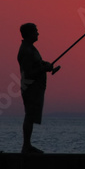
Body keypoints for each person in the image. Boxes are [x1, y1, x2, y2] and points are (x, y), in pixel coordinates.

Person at [17, 22, 59, 154]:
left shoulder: (31, 48)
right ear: (29, 33)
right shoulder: (26, 50)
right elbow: (29, 73)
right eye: (35, 31)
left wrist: (44, 64)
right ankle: (26, 146)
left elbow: (36, 65)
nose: (38, 33)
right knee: (29, 116)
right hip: (31, 88)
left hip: (35, 88)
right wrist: (44, 68)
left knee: (30, 116)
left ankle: (27, 145)